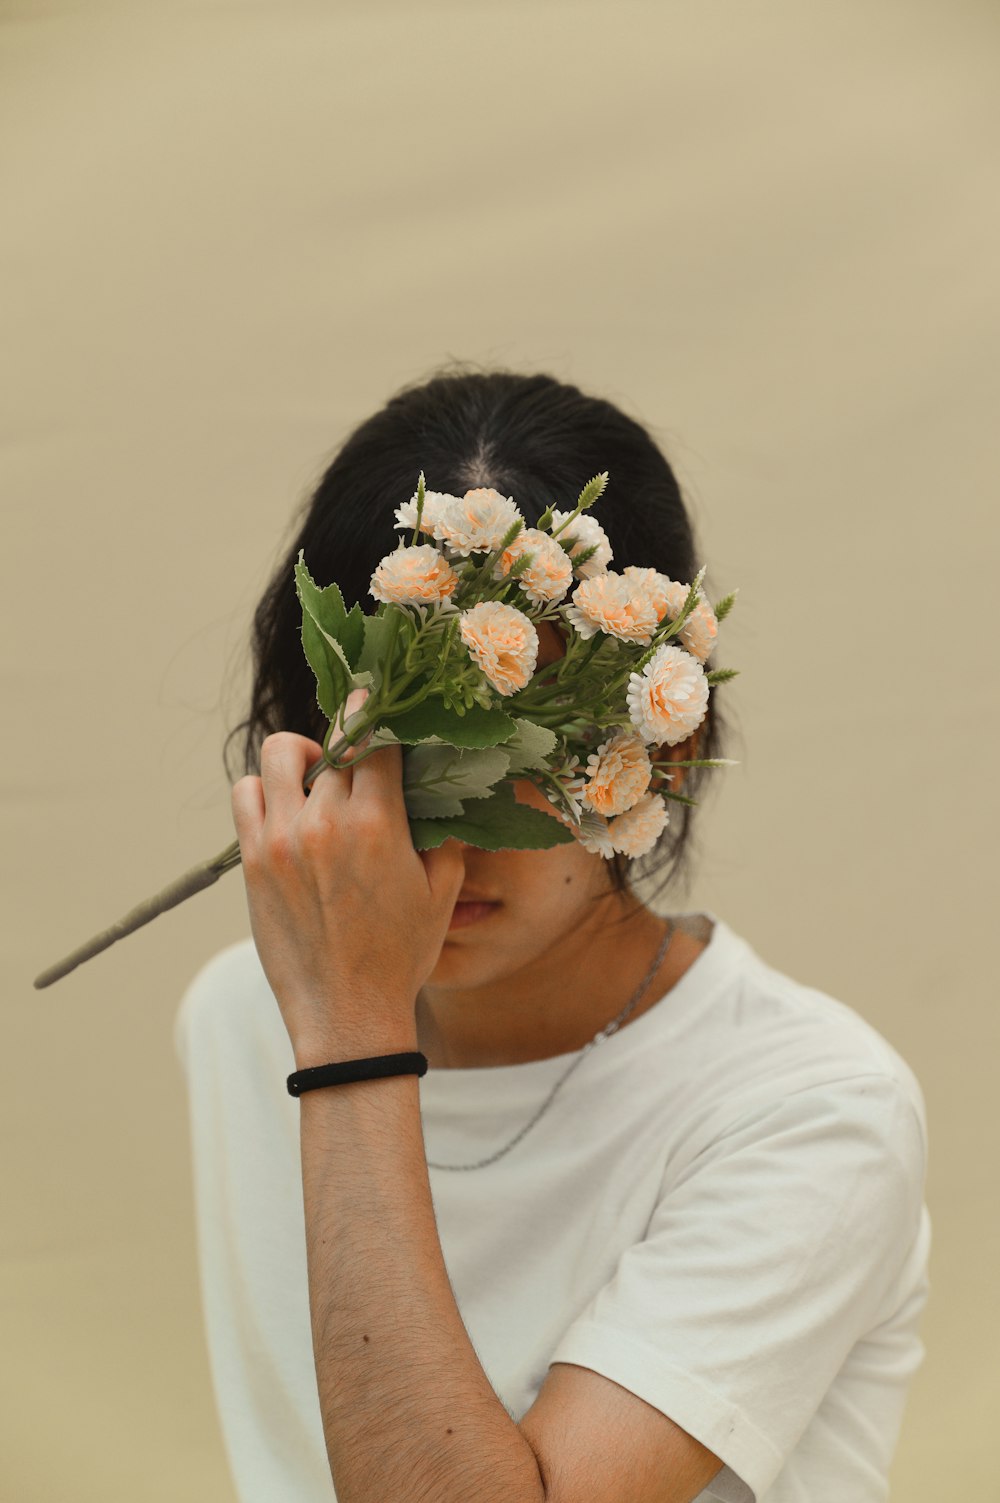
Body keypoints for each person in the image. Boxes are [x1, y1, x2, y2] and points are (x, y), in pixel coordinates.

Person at [174, 368, 930, 1503]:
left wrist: (349, 1040)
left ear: (659, 748)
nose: (446, 832)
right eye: (396, 752)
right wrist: (337, 1016)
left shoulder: (811, 1109)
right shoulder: (240, 1017)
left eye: (510, 755)